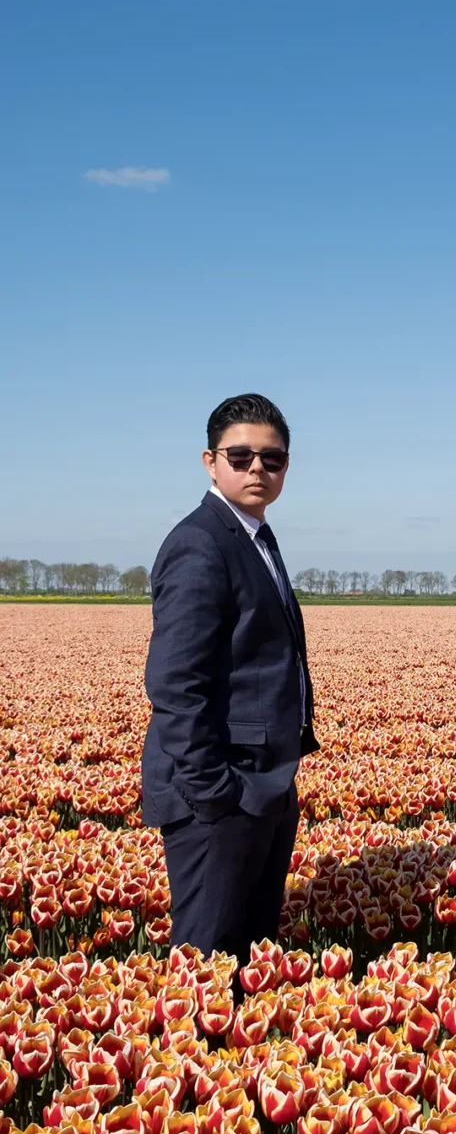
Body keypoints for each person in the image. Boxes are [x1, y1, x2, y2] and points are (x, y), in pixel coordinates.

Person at [141, 393, 318, 958]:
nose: (257, 469)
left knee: (253, 954)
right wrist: (214, 792)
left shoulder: (253, 536)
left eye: (273, 458)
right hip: (220, 794)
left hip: (262, 784)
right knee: (209, 959)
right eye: (239, 457)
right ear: (209, 461)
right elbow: (175, 682)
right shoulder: (201, 543)